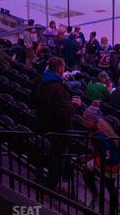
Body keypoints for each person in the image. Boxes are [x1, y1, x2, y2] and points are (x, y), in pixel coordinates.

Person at [32, 57, 82, 188]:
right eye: (63, 67)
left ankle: (65, 175)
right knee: (58, 158)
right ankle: (51, 186)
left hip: (44, 123)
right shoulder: (57, 87)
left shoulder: (40, 81)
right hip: (58, 130)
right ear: (60, 68)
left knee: (58, 157)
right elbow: (63, 113)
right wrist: (75, 106)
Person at [81, 102, 120, 213]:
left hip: (111, 164)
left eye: (86, 118)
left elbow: (106, 155)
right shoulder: (94, 130)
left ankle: (115, 208)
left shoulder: (102, 136)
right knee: (87, 174)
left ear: (92, 121)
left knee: (110, 186)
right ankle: (96, 197)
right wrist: (90, 157)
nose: (83, 120)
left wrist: (93, 162)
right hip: (103, 160)